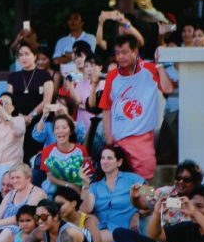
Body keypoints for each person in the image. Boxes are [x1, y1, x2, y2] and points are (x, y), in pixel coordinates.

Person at [98, 34, 175, 180]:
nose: (120, 57)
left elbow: (168, 88)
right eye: (118, 53)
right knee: (120, 185)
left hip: (142, 141)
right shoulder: (112, 76)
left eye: (125, 52)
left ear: (135, 52)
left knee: (144, 187)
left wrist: (159, 65)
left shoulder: (150, 69)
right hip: (118, 141)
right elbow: (106, 109)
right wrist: (109, 141)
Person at [88, 145, 144, 242]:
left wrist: (138, 214)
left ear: (119, 162)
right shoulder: (95, 186)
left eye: (109, 158)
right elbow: (86, 209)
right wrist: (84, 186)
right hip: (100, 228)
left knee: (88, 241)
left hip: (120, 229)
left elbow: (153, 196)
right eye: (103, 158)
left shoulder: (133, 180)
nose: (105, 161)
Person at [6, 44, 54, 160]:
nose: (23, 58)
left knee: (36, 156)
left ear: (34, 56)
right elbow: (8, 99)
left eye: (27, 54)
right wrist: (20, 117)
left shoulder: (45, 75)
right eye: (20, 55)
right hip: (18, 120)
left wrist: (31, 116)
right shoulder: (13, 77)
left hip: (38, 121)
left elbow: (47, 100)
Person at [34, 112, 88, 193]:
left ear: (71, 131)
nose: (60, 131)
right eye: (57, 128)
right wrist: (69, 185)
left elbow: (86, 175)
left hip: (74, 193)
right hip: (50, 192)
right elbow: (51, 178)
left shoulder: (81, 150)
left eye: (64, 128)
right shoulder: (47, 151)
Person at [52, 11, 97, 76]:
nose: (72, 21)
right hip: (66, 73)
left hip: (85, 72)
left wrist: (65, 54)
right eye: (70, 19)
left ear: (82, 23)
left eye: (76, 18)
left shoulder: (90, 38)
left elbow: (88, 56)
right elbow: (56, 60)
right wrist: (78, 55)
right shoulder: (61, 41)